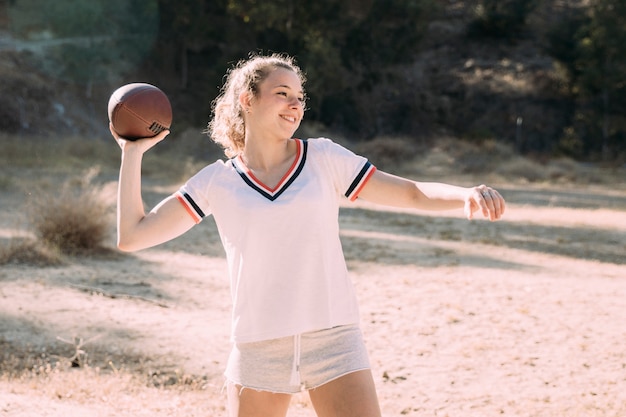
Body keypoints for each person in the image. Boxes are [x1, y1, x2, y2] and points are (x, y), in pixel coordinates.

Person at [111, 53, 505, 417]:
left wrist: (464, 195)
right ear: (247, 100)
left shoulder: (323, 158)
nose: (295, 104)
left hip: (334, 338)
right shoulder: (217, 181)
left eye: (300, 97)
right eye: (282, 94)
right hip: (258, 346)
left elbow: (411, 192)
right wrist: (133, 153)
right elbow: (133, 235)